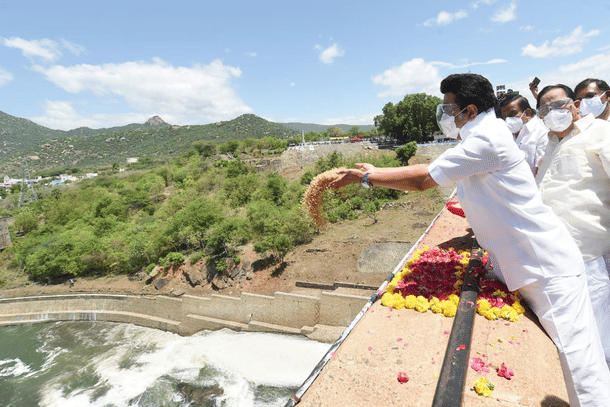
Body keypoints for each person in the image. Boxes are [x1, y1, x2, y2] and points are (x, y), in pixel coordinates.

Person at [330, 73, 610, 406]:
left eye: (449, 109)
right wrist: (375, 171)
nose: (446, 116)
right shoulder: (481, 137)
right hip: (529, 265)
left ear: (470, 110)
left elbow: (423, 179)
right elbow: (434, 166)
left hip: (548, 268)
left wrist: (366, 178)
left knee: (582, 369)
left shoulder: (487, 140)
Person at [535, 83, 610, 368]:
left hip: (590, 256)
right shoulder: (551, 144)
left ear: (575, 105)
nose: (553, 113)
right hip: (557, 258)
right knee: (577, 340)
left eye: (559, 104)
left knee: (600, 341)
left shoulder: (600, 133)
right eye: (545, 109)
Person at [498, 91, 548, 173]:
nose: (508, 120)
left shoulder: (542, 132)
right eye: (505, 117)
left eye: (512, 114)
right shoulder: (509, 133)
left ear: (527, 113)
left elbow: (541, 172)